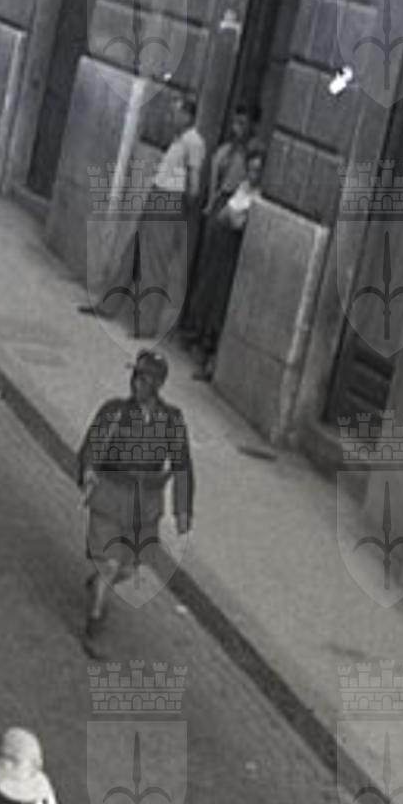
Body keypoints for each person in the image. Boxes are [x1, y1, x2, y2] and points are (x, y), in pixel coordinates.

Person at [75, 348, 193, 655]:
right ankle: (94, 624)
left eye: (145, 378)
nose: (137, 382)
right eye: (136, 376)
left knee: (127, 569)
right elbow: (92, 444)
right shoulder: (114, 411)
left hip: (145, 505)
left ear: (158, 384)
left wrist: (183, 510)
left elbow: (182, 466)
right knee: (109, 562)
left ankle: (98, 583)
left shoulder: (171, 420)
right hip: (111, 494)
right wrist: (88, 470)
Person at [85, 90, 205, 343]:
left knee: (154, 263)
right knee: (133, 254)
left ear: (188, 115)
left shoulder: (194, 142)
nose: (171, 117)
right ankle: (108, 305)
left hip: (168, 202)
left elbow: (194, 185)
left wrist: (178, 208)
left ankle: (147, 324)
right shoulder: (180, 139)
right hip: (158, 197)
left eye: (176, 112)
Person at [188, 143, 263, 381]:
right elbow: (223, 216)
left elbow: (240, 223)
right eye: (250, 169)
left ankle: (212, 363)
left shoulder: (258, 197)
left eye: (257, 170)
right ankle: (202, 350)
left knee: (222, 308)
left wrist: (232, 217)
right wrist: (232, 216)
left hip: (233, 258)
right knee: (210, 300)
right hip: (221, 252)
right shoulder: (242, 187)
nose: (252, 174)